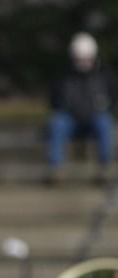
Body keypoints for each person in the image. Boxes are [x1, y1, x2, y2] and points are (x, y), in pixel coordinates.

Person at [46, 33, 115, 184]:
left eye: (86, 58)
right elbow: (53, 101)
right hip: (70, 120)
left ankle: (103, 169)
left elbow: (111, 99)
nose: (83, 62)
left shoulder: (104, 75)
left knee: (105, 123)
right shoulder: (63, 76)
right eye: (80, 59)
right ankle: (55, 170)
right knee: (57, 123)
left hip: (94, 119)